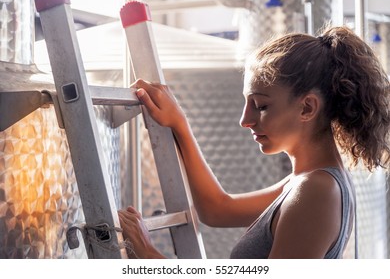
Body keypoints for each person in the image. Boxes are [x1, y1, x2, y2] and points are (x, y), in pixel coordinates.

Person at [118, 25, 390, 259]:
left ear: (307, 107)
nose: (244, 120)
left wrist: (147, 253)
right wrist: (180, 124)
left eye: (260, 106)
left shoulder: (317, 190)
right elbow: (217, 210)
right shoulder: (306, 182)